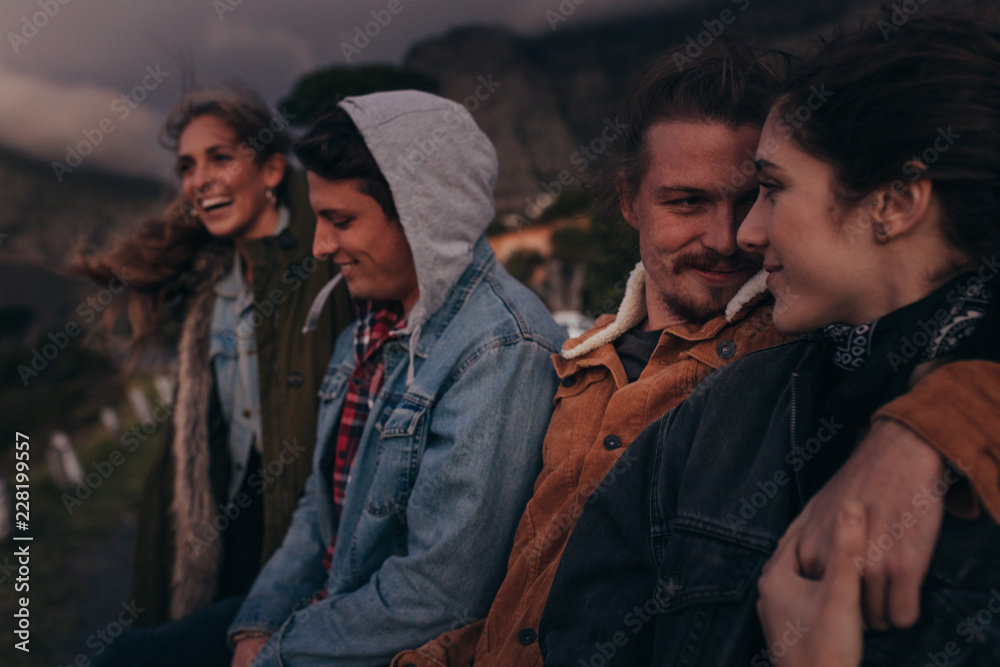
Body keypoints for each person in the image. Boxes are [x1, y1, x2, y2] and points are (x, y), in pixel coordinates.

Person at [392, 37, 984, 667]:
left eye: (763, 191)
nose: (734, 238)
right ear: (628, 201)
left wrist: (940, 417)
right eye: (687, 202)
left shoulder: (781, 373)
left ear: (895, 203)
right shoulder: (573, 364)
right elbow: (534, 605)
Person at [226, 90, 568, 666]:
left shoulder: (500, 350)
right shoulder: (368, 327)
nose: (321, 246)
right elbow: (319, 510)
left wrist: (275, 656)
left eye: (341, 221)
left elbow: (441, 596)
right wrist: (255, 627)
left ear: (424, 215)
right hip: (322, 617)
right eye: (318, 219)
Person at [80, 85, 354, 663]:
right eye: (187, 166)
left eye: (220, 158)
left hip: (306, 527)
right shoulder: (210, 279)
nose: (200, 178)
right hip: (224, 522)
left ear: (273, 169)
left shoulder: (329, 258)